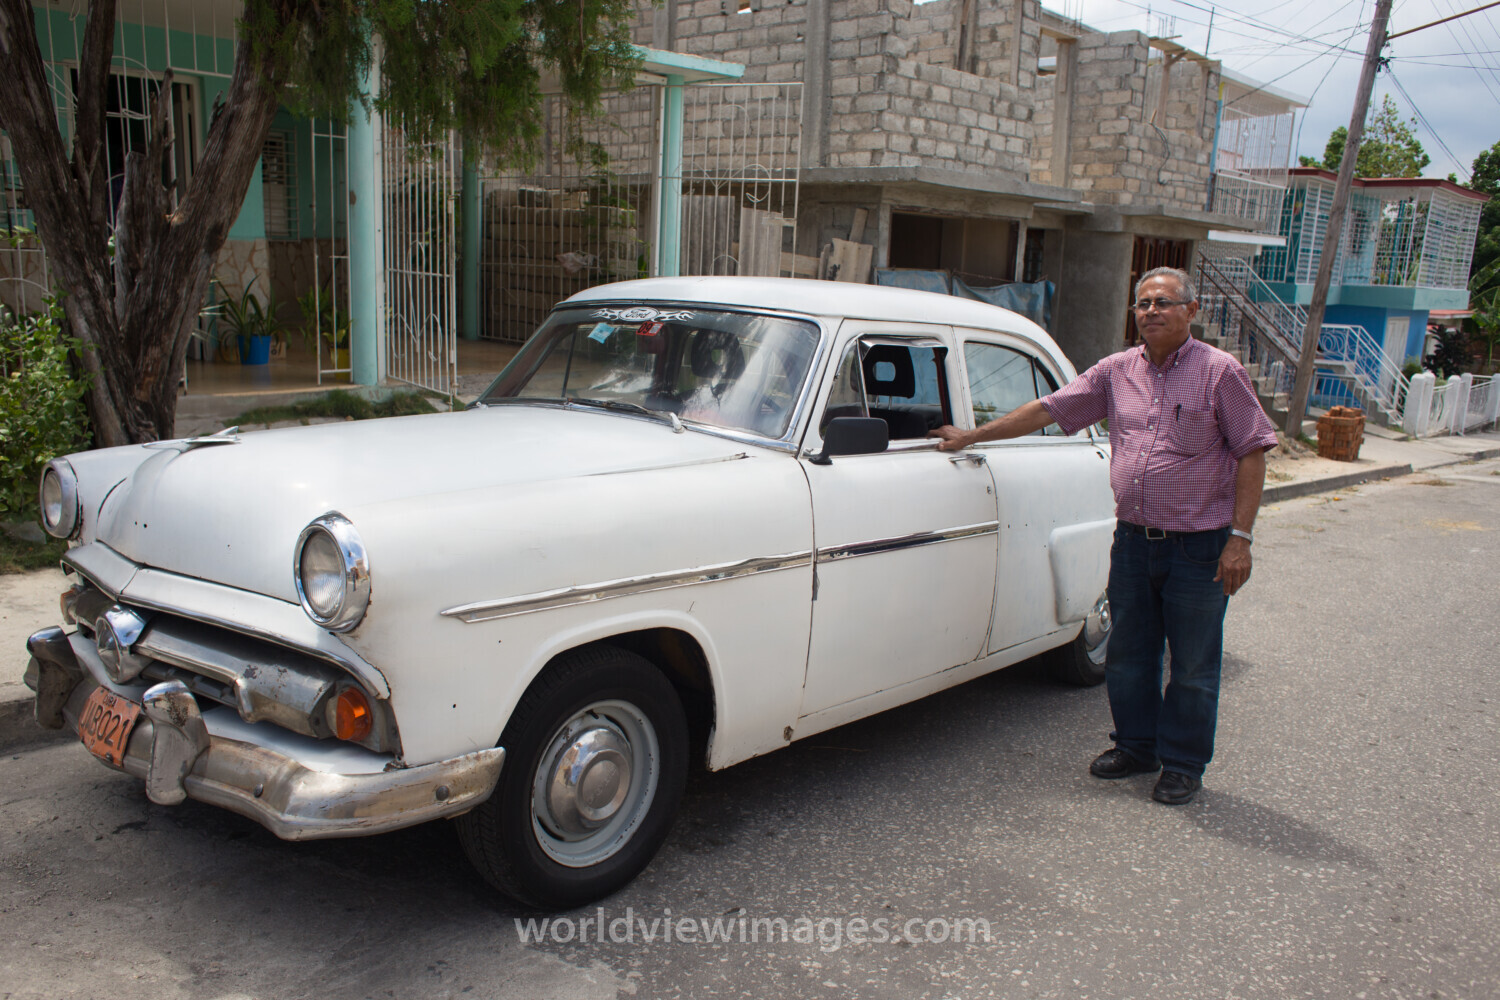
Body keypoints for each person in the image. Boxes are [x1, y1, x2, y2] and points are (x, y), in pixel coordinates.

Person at [930, 266, 1278, 806]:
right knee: (1129, 654)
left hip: (1200, 546)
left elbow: (1252, 451)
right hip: (1135, 541)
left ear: (1191, 311)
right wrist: (973, 436)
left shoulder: (1220, 372)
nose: (1151, 311)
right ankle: (1136, 747)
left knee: (1191, 663)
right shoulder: (1117, 371)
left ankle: (1183, 764)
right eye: (1143, 303)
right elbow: (1049, 408)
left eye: (1164, 302)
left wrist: (1241, 538)